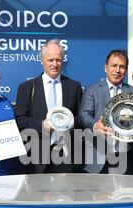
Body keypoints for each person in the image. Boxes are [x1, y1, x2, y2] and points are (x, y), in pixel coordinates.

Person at [78, 49, 133, 174]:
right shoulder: (92, 90)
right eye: (114, 66)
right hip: (98, 157)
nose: (117, 70)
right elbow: (83, 114)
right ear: (106, 68)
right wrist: (95, 125)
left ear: (126, 70)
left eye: (122, 67)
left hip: (127, 157)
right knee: (98, 193)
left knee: (125, 193)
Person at [14, 39, 83, 173]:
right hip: (36, 157)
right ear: (42, 61)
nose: (54, 64)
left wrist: (69, 122)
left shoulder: (74, 86)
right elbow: (20, 120)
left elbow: (80, 118)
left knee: (65, 194)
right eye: (50, 60)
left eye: (58, 60)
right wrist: (42, 125)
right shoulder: (26, 88)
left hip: (66, 155)